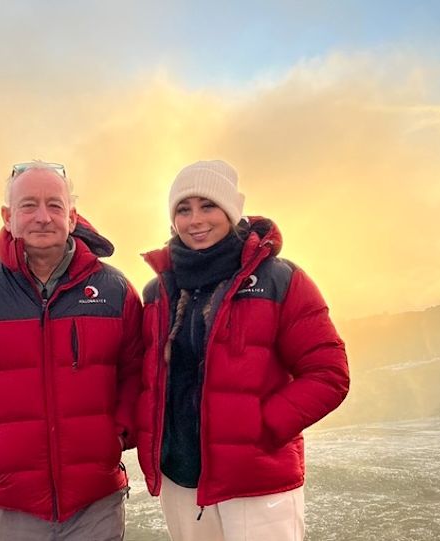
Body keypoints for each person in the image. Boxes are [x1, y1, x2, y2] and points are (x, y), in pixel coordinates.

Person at [0, 161, 143, 541]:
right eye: (28, 205)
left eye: (54, 205)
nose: (42, 217)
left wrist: (118, 434)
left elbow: (138, 374)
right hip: (9, 503)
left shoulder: (114, 291)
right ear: (8, 217)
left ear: (72, 217)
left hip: (95, 502)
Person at [136, 160, 350, 541]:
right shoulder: (159, 292)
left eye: (208, 206)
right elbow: (144, 378)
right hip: (182, 479)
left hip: (257, 482)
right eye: (184, 209)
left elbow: (329, 373)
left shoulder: (279, 279)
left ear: (231, 213)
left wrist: (262, 427)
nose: (196, 219)